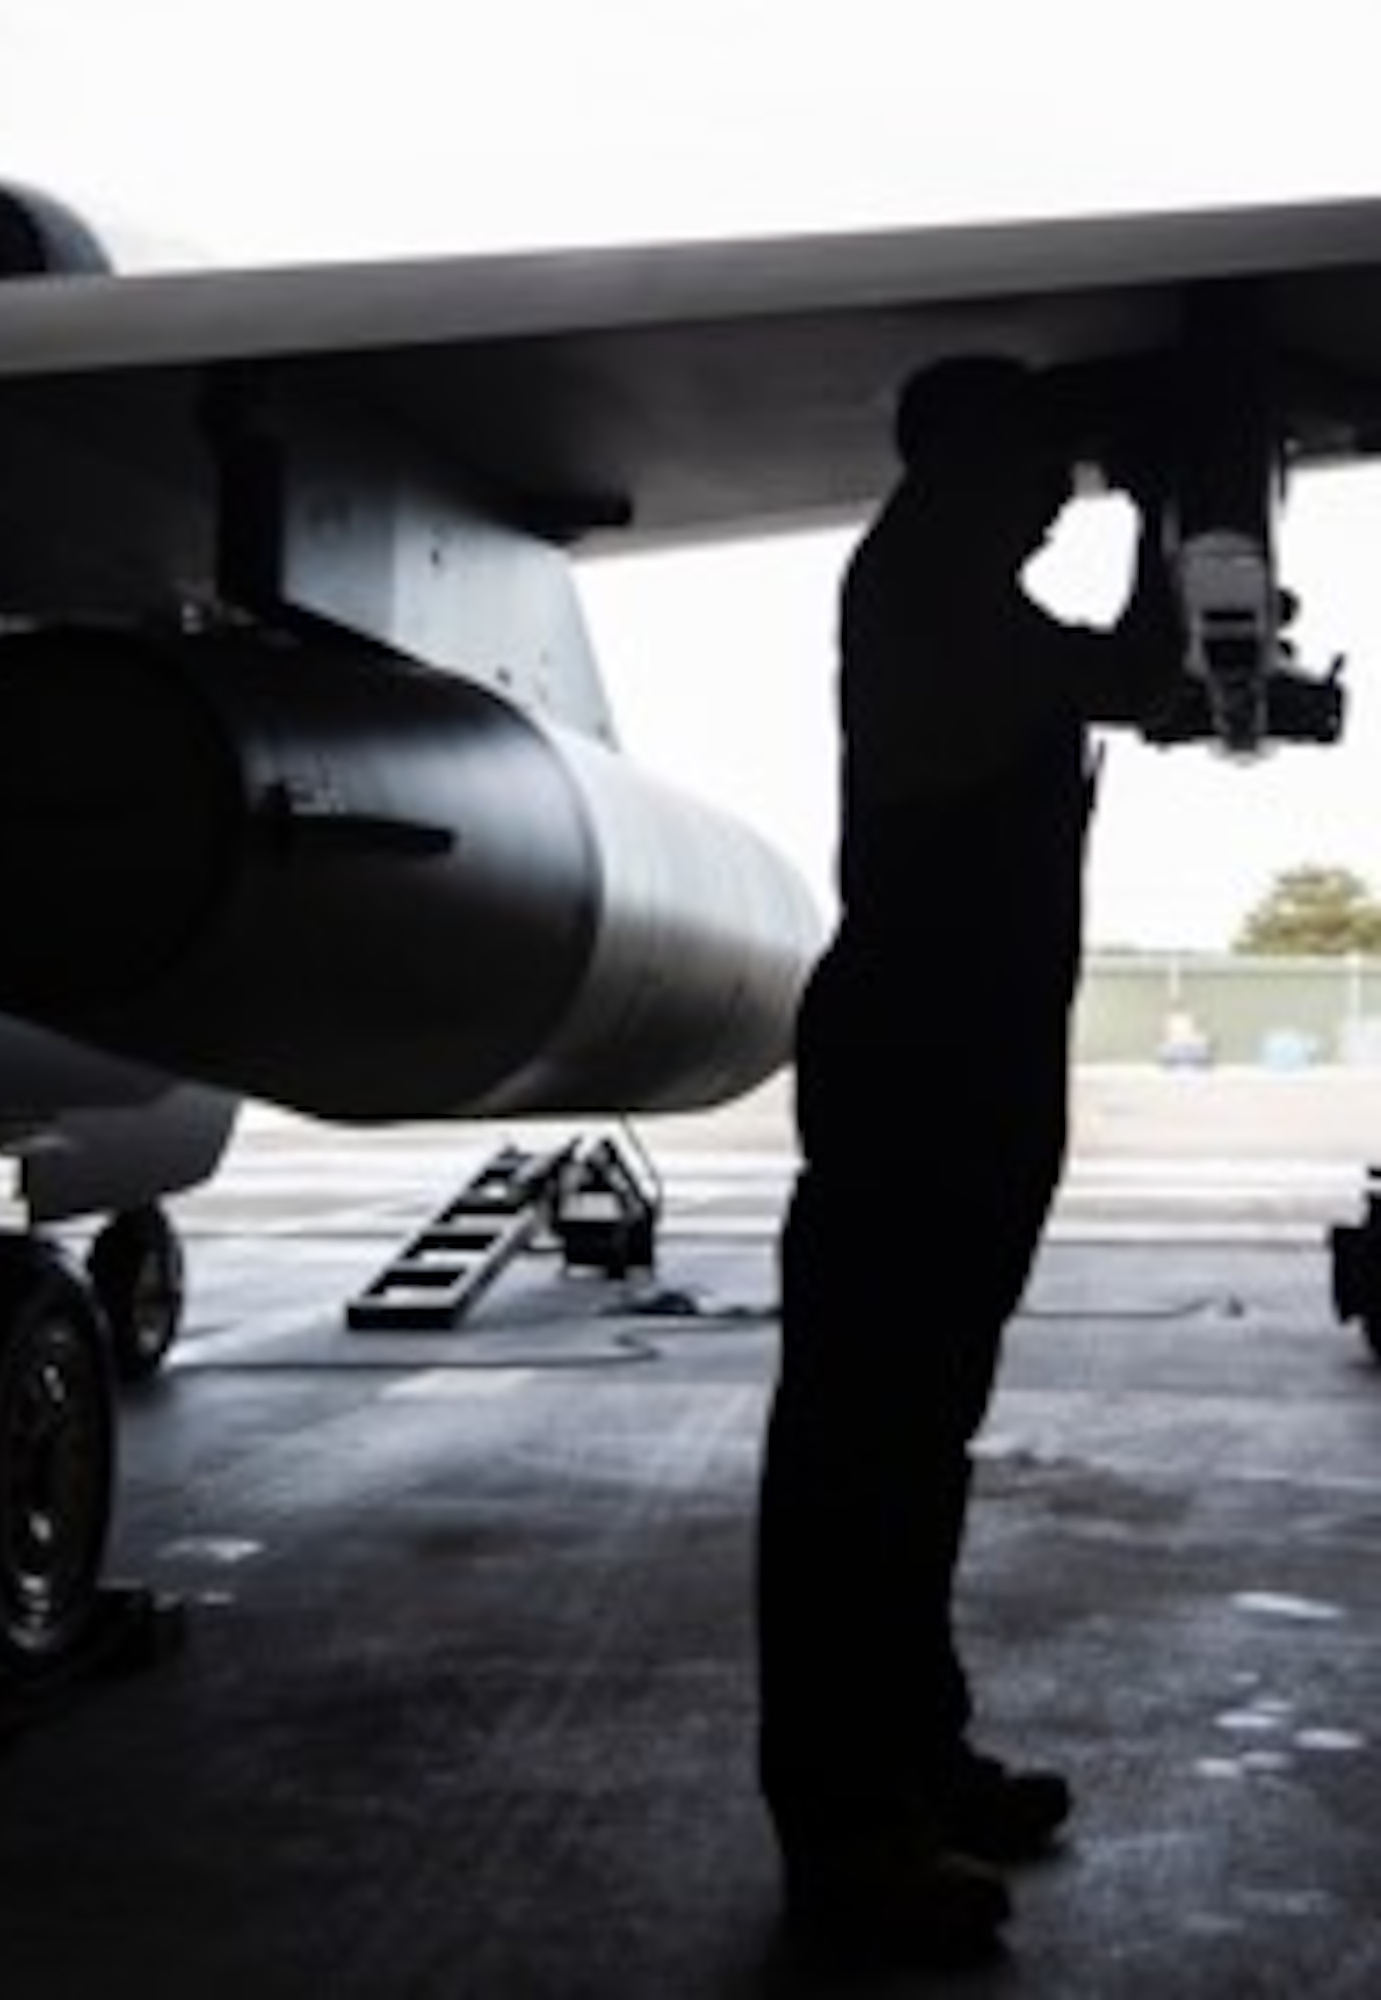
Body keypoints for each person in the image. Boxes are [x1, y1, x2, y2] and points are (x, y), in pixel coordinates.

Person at [756, 354, 1182, 1971]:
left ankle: (914, 1764)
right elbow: (1139, 677)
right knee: (864, 1457)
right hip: (923, 1062)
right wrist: (1168, 501)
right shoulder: (932, 580)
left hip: (960, 1057)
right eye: (1045, 462)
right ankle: (850, 1836)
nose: (1057, 491)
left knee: (914, 1441)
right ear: (962, 458)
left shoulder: (944, 580)